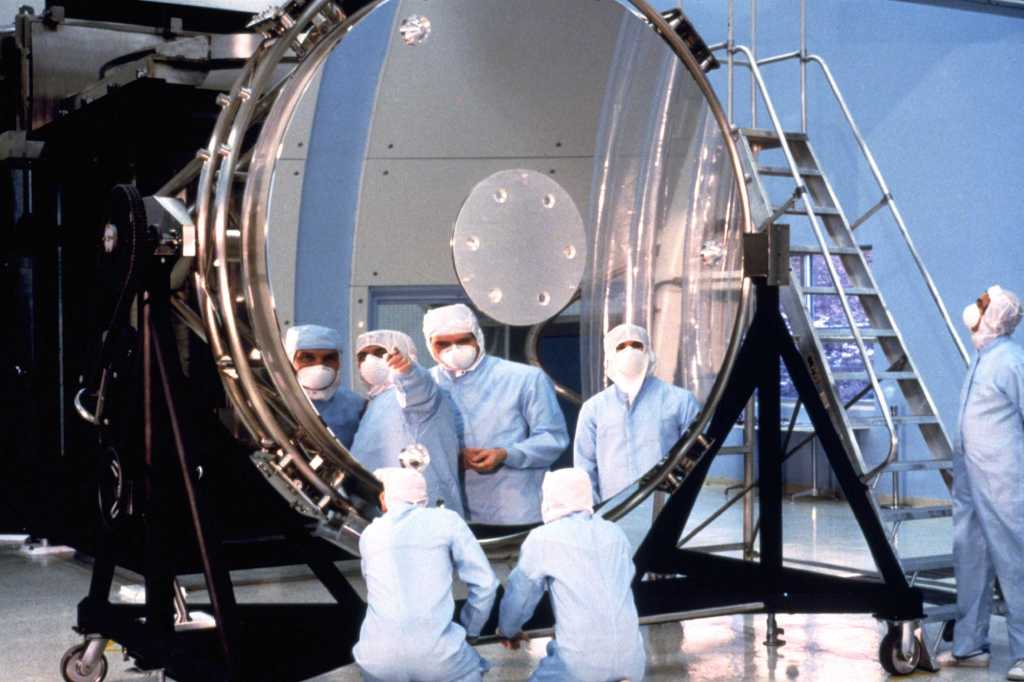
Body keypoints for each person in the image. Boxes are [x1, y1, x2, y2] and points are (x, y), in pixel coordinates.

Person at [938, 285, 1024, 681]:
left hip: (1003, 477)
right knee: (969, 554)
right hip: (971, 476)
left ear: (994, 317)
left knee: (1014, 559)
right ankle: (970, 643)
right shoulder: (982, 357)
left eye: (982, 304)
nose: (975, 308)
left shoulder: (1010, 360)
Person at [423, 304, 569, 525]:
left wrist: (506, 454)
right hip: (448, 512)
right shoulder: (423, 387)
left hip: (514, 509)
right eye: (442, 344)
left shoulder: (524, 379)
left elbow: (553, 438)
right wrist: (451, 457)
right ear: (429, 345)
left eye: (463, 341)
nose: (454, 349)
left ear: (478, 337)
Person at [497, 468, 646, 682]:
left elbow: (520, 597)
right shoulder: (615, 533)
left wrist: (508, 630)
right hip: (632, 661)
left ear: (549, 498)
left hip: (578, 666)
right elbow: (625, 581)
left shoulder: (542, 539)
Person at [353, 467, 498, 682]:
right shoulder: (446, 520)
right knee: (469, 668)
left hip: (376, 661)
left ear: (384, 499)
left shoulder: (368, 535)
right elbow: (486, 584)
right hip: (439, 658)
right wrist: (470, 631)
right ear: (424, 499)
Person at [574, 323, 701, 551]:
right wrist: (595, 511)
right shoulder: (593, 409)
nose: (629, 351)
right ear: (609, 356)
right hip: (613, 512)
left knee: (662, 572)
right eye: (621, 346)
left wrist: (676, 501)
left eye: (637, 345)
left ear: (649, 352)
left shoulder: (681, 401)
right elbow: (584, 467)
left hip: (665, 510)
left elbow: (696, 457)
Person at [350, 329, 466, 517]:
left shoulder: (420, 393)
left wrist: (407, 371)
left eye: (379, 353)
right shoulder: (375, 403)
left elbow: (418, 390)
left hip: (423, 510)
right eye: (362, 356)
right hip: (384, 513)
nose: (368, 361)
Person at [284, 324, 365, 448]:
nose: (319, 367)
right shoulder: (273, 401)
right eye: (307, 358)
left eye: (329, 358)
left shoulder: (357, 407)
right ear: (290, 361)